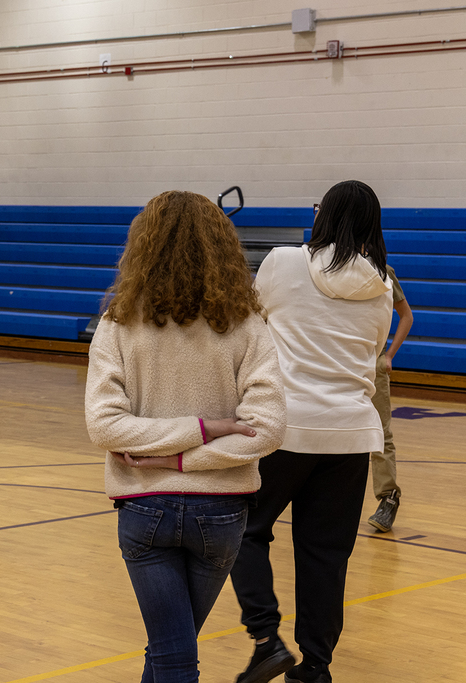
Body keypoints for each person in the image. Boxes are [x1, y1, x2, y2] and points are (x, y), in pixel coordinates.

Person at [85, 190, 287, 683]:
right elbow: (266, 429)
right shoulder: (248, 325)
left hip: (145, 504)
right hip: (221, 512)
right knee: (171, 651)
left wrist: (174, 461)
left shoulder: (117, 325)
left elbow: (108, 427)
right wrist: (204, 430)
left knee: (171, 654)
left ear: (142, 248)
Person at [229, 180, 394, 683]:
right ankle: (315, 669)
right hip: (351, 435)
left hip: (288, 426)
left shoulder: (282, 262)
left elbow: (247, 321)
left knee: (241, 529)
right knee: (326, 556)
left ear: (323, 215)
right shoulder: (382, 285)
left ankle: (266, 639)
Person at [367, 266, 413, 532]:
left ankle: (388, 497)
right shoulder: (327, 265)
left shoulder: (382, 271)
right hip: (343, 361)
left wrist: (389, 355)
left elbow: (406, 316)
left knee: (380, 434)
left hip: (373, 364)